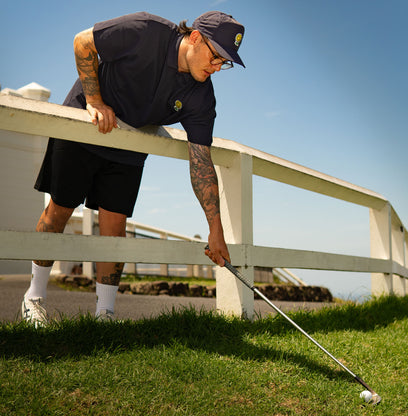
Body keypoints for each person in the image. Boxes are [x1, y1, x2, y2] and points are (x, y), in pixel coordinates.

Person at [21, 11, 246, 326]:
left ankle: (105, 314)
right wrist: (95, 101)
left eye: (226, 62)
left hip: (129, 146)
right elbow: (83, 42)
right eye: (216, 55)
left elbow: (201, 162)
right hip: (83, 127)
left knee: (115, 229)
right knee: (60, 211)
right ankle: (33, 297)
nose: (217, 66)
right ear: (195, 37)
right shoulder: (146, 30)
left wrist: (215, 230)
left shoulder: (201, 96)